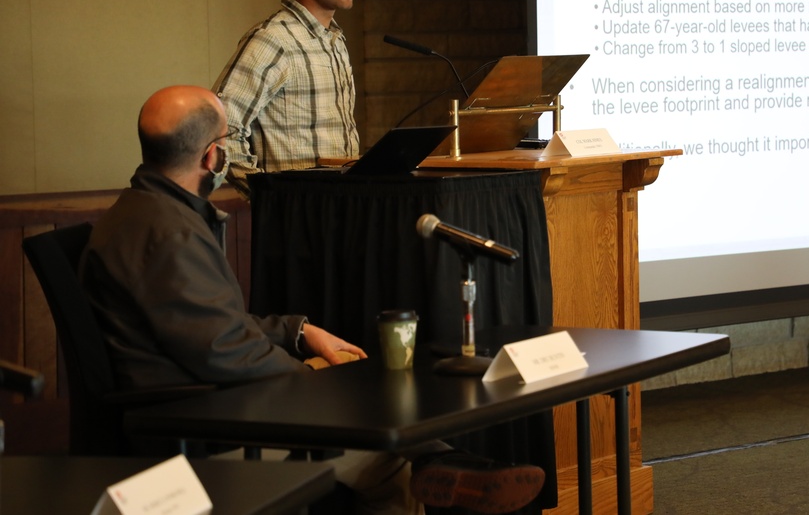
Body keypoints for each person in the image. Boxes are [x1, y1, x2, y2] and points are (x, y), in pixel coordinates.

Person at [80, 85, 544, 514]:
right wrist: (306, 378)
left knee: (375, 416)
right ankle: (449, 465)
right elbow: (223, 350)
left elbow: (215, 326)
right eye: (227, 140)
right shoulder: (169, 233)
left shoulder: (145, 213)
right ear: (211, 156)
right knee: (387, 457)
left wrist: (299, 332)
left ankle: (451, 464)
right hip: (203, 426)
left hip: (213, 403)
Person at [212, 0, 361, 198]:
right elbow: (218, 130)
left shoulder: (336, 40)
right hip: (294, 221)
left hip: (342, 211)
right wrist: (272, 200)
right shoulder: (274, 39)